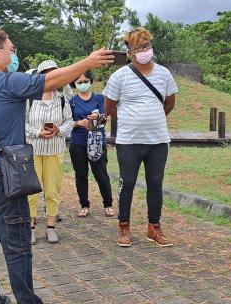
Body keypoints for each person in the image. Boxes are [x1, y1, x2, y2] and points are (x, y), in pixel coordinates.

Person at [0, 28, 113, 303]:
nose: (14, 54)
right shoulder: (7, 81)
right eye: (11, 49)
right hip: (1, 176)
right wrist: (88, 62)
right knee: (18, 246)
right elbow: (49, 80)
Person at [103, 27, 178, 248]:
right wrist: (130, 119)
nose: (144, 50)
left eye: (146, 46)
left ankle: (154, 228)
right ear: (130, 51)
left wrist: (152, 118)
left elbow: (170, 102)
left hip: (158, 140)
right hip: (129, 141)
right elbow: (110, 106)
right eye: (138, 47)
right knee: (127, 184)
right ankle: (124, 226)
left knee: (156, 183)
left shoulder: (164, 73)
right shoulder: (119, 76)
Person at [25, 60, 73, 245]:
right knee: (31, 190)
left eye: (55, 73)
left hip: (55, 149)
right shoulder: (30, 98)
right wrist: (38, 132)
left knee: (53, 189)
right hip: (33, 149)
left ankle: (51, 226)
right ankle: (31, 226)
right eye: (48, 73)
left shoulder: (61, 99)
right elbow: (22, 123)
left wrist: (58, 130)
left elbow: (69, 121)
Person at [68, 70, 114, 218]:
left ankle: (108, 204)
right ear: (74, 84)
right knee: (81, 175)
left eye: (85, 81)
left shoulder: (99, 98)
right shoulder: (72, 102)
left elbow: (105, 117)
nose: (83, 84)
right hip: (78, 142)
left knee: (101, 174)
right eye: (79, 82)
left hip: (97, 141)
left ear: (91, 81)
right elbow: (67, 123)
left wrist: (97, 118)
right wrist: (78, 123)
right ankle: (84, 204)